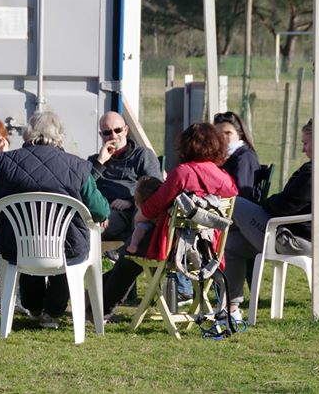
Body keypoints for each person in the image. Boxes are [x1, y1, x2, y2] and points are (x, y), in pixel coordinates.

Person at [224, 118, 319, 321]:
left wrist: (264, 202)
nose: (303, 149)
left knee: (235, 203)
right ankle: (231, 309)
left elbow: (283, 207)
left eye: (306, 143)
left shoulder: (317, 171)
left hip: (296, 240)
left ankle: (210, 277)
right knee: (233, 244)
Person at [0, 111, 110, 330]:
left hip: (19, 246)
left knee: (26, 246)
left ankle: (34, 306)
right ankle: (53, 311)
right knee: (67, 249)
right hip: (65, 247)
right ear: (59, 135)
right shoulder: (77, 166)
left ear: (28, 133)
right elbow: (99, 210)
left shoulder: (7, 163)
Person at [101, 123, 238, 318]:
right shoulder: (224, 178)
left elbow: (151, 208)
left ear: (187, 145)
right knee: (129, 256)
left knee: (129, 255)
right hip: (209, 250)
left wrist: (141, 215)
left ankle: (99, 306)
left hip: (176, 248)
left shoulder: (183, 173)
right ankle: (94, 300)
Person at [88, 111, 163, 245]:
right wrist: (100, 162)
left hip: (133, 211)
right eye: (107, 133)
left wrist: (130, 200)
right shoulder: (95, 161)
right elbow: (84, 187)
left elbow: (155, 188)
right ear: (101, 135)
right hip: (103, 211)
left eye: (117, 130)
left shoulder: (142, 155)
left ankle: (125, 252)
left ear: (126, 130)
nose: (113, 136)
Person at [213, 111, 261, 201]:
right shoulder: (221, 156)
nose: (222, 137)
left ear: (240, 134)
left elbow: (244, 195)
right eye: (217, 133)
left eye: (228, 133)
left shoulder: (245, 158)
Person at [124, 176, 164, 255]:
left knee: (140, 227)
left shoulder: (146, 212)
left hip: (151, 235)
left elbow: (137, 219)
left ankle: (133, 245)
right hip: (161, 234)